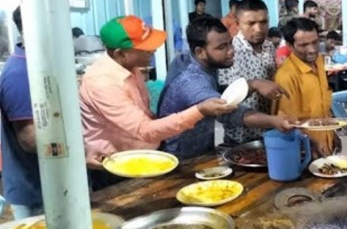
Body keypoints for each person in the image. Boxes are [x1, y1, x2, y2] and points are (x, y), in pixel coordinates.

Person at [79, 15, 234, 166]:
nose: (153, 50)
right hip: (115, 163)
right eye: (145, 49)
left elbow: (144, 117)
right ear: (120, 53)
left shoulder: (132, 69)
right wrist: (199, 110)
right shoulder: (103, 83)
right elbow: (144, 129)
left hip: (143, 154)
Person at [158, 17, 293, 159]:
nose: (231, 51)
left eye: (230, 43)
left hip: (201, 149)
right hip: (181, 158)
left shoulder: (194, 59)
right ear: (200, 52)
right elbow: (226, 110)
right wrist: (274, 121)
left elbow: (223, 95)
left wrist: (254, 84)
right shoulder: (191, 81)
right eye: (222, 47)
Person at [217, 0, 279, 145]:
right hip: (240, 137)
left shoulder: (269, 47)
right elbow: (224, 101)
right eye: (251, 23)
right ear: (237, 24)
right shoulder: (229, 51)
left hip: (270, 131)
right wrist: (254, 84)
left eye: (263, 22)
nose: (258, 29)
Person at [275, 18, 340, 158]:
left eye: (315, 42)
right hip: (304, 152)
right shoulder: (286, 76)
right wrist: (311, 144)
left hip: (325, 146)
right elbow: (287, 123)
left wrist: (332, 133)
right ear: (290, 46)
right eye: (303, 45)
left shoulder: (319, 61)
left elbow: (323, 107)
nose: (311, 49)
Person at [0, 7, 42, 218]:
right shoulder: (19, 74)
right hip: (34, 193)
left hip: (48, 186)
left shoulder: (39, 66)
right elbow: (30, 139)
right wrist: (80, 153)